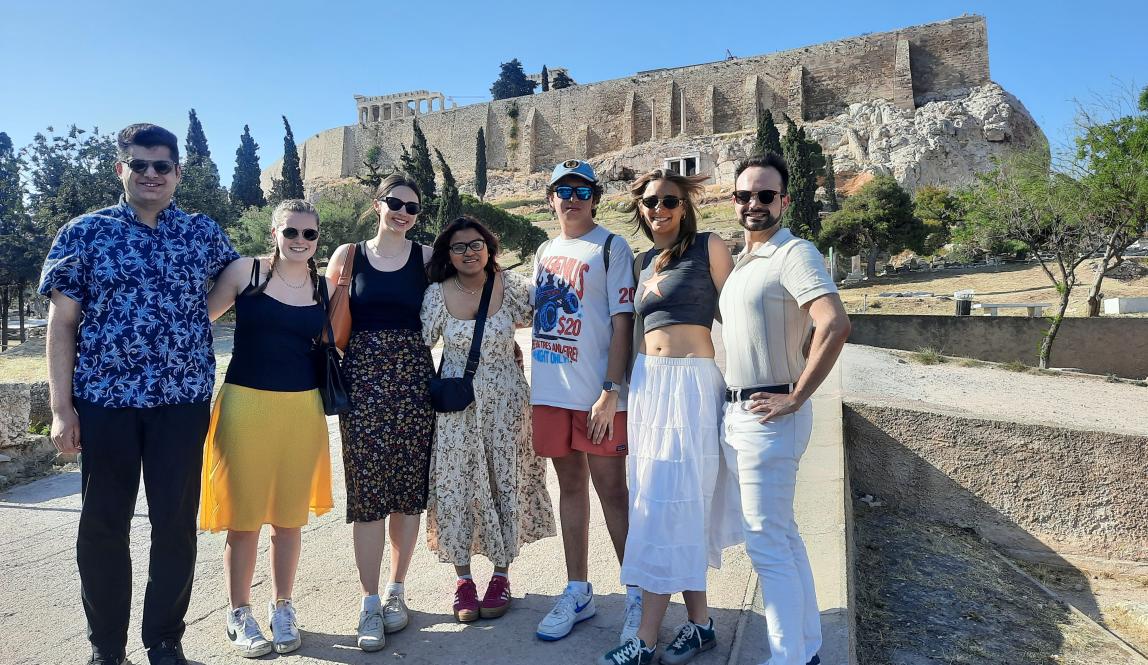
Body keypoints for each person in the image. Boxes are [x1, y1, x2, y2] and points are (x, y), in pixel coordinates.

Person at [39, 123, 238, 665]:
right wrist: (61, 409)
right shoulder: (85, 232)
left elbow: (239, 277)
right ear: (120, 168)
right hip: (106, 401)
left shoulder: (201, 232)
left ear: (177, 172)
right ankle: (107, 647)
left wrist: (198, 317)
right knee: (104, 524)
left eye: (163, 166)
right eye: (141, 164)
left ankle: (165, 640)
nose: (152, 174)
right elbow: (62, 324)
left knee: (175, 524)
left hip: (181, 401)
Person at [600, 170, 743, 665]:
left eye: (668, 201)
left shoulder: (709, 247)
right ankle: (700, 624)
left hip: (691, 386)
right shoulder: (642, 262)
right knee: (665, 503)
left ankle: (644, 638)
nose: (658, 208)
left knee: (665, 506)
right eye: (649, 202)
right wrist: (610, 391)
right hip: (649, 388)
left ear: (685, 207)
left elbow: (740, 316)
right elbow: (623, 329)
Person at [719, 153, 851, 665]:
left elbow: (834, 323)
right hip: (743, 414)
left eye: (765, 195)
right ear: (733, 201)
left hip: (768, 414)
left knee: (766, 545)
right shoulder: (746, 261)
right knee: (783, 538)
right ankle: (805, 647)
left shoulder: (794, 253)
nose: (754, 204)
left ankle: (786, 658)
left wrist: (796, 395)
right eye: (744, 195)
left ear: (784, 200)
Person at [200, 199, 333, 657]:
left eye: (309, 234)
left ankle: (283, 607)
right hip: (245, 405)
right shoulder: (244, 273)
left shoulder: (325, 287)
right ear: (274, 232)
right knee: (244, 520)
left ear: (318, 239)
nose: (300, 241)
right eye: (290, 232)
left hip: (301, 409)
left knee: (289, 519)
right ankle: (239, 613)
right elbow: (196, 323)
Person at [420, 216, 556, 623]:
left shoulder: (509, 286)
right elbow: (422, 343)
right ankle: (463, 580)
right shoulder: (436, 294)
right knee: (456, 486)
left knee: (505, 481)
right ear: (448, 253)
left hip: (509, 406)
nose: (468, 252)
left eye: (475, 244)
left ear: (488, 247)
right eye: (459, 247)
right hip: (459, 409)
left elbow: (541, 310)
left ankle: (501, 575)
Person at [530, 159, 640, 642]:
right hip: (551, 392)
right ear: (550, 198)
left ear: (594, 197)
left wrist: (610, 392)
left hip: (597, 395)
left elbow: (623, 322)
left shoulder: (613, 246)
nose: (571, 198)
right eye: (562, 190)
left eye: (580, 190)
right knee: (570, 490)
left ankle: (638, 593)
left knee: (613, 493)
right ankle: (578, 590)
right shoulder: (543, 249)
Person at [325, 173, 434, 652]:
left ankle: (397, 590)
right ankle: (369, 602)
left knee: (408, 493)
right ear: (377, 205)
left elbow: (466, 296)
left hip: (414, 380)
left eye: (412, 207)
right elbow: (322, 318)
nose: (403, 213)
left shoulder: (428, 259)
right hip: (363, 382)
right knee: (368, 494)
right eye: (395, 203)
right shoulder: (348, 256)